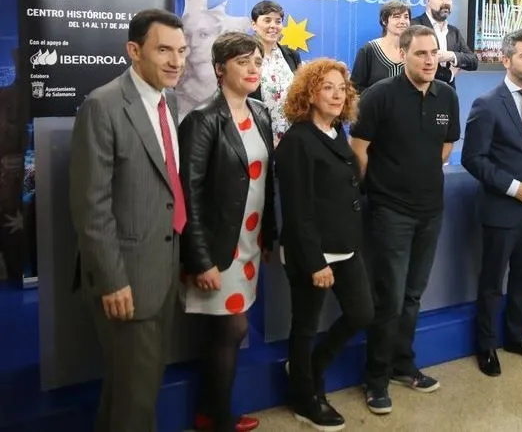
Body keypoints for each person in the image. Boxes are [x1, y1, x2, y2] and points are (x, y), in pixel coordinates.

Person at [68, 9, 188, 432]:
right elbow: (91, 205)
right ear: (134, 51)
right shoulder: (103, 105)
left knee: (132, 387)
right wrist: (113, 279)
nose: (176, 61)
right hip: (126, 277)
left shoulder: (166, 101)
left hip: (163, 268)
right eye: (164, 50)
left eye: (181, 51)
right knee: (136, 398)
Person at [350, 25, 460, 415]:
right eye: (421, 54)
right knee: (390, 298)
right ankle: (376, 378)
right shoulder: (379, 96)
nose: (429, 60)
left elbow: (447, 145)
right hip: (389, 212)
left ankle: (402, 364)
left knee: (413, 295)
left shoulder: (447, 94)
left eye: (434, 54)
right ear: (402, 55)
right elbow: (358, 149)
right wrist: (380, 188)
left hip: (431, 210)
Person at [178, 32, 276, 432]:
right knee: (232, 327)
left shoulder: (261, 112)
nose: (253, 69)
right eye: (242, 62)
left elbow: (266, 183)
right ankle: (216, 418)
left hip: (250, 244)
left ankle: (208, 411)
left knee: (228, 331)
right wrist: (199, 259)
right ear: (220, 69)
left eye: (256, 61)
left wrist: (268, 234)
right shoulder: (202, 119)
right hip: (218, 247)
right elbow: (190, 196)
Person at [276, 58, 374, 430]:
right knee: (304, 326)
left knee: (362, 313)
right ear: (309, 93)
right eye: (327, 87)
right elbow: (298, 212)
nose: (337, 94)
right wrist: (316, 263)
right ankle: (304, 398)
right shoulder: (297, 142)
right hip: (311, 252)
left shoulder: (337, 133)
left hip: (346, 247)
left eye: (341, 87)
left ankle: (308, 368)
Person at [461, 30, 522, 377]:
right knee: (491, 281)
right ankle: (486, 345)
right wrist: (513, 187)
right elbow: (474, 158)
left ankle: (517, 336)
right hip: (501, 209)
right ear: (506, 60)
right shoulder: (487, 103)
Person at [248, 0, 302, 144]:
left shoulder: (292, 55)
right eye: (267, 20)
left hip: (290, 135)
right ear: (253, 24)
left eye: (278, 21)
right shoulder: (244, 56)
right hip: (257, 133)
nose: (273, 26)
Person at [410, 0, 478, 89]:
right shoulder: (414, 26)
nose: (446, 2)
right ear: (428, 1)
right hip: (420, 94)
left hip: (448, 97)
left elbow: (473, 61)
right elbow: (415, 64)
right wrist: (449, 75)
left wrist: (451, 55)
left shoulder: (454, 31)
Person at [351, 0, 410, 92]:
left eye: (406, 17)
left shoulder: (414, 50)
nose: (403, 21)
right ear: (384, 21)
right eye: (397, 17)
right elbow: (355, 88)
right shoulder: (368, 50)